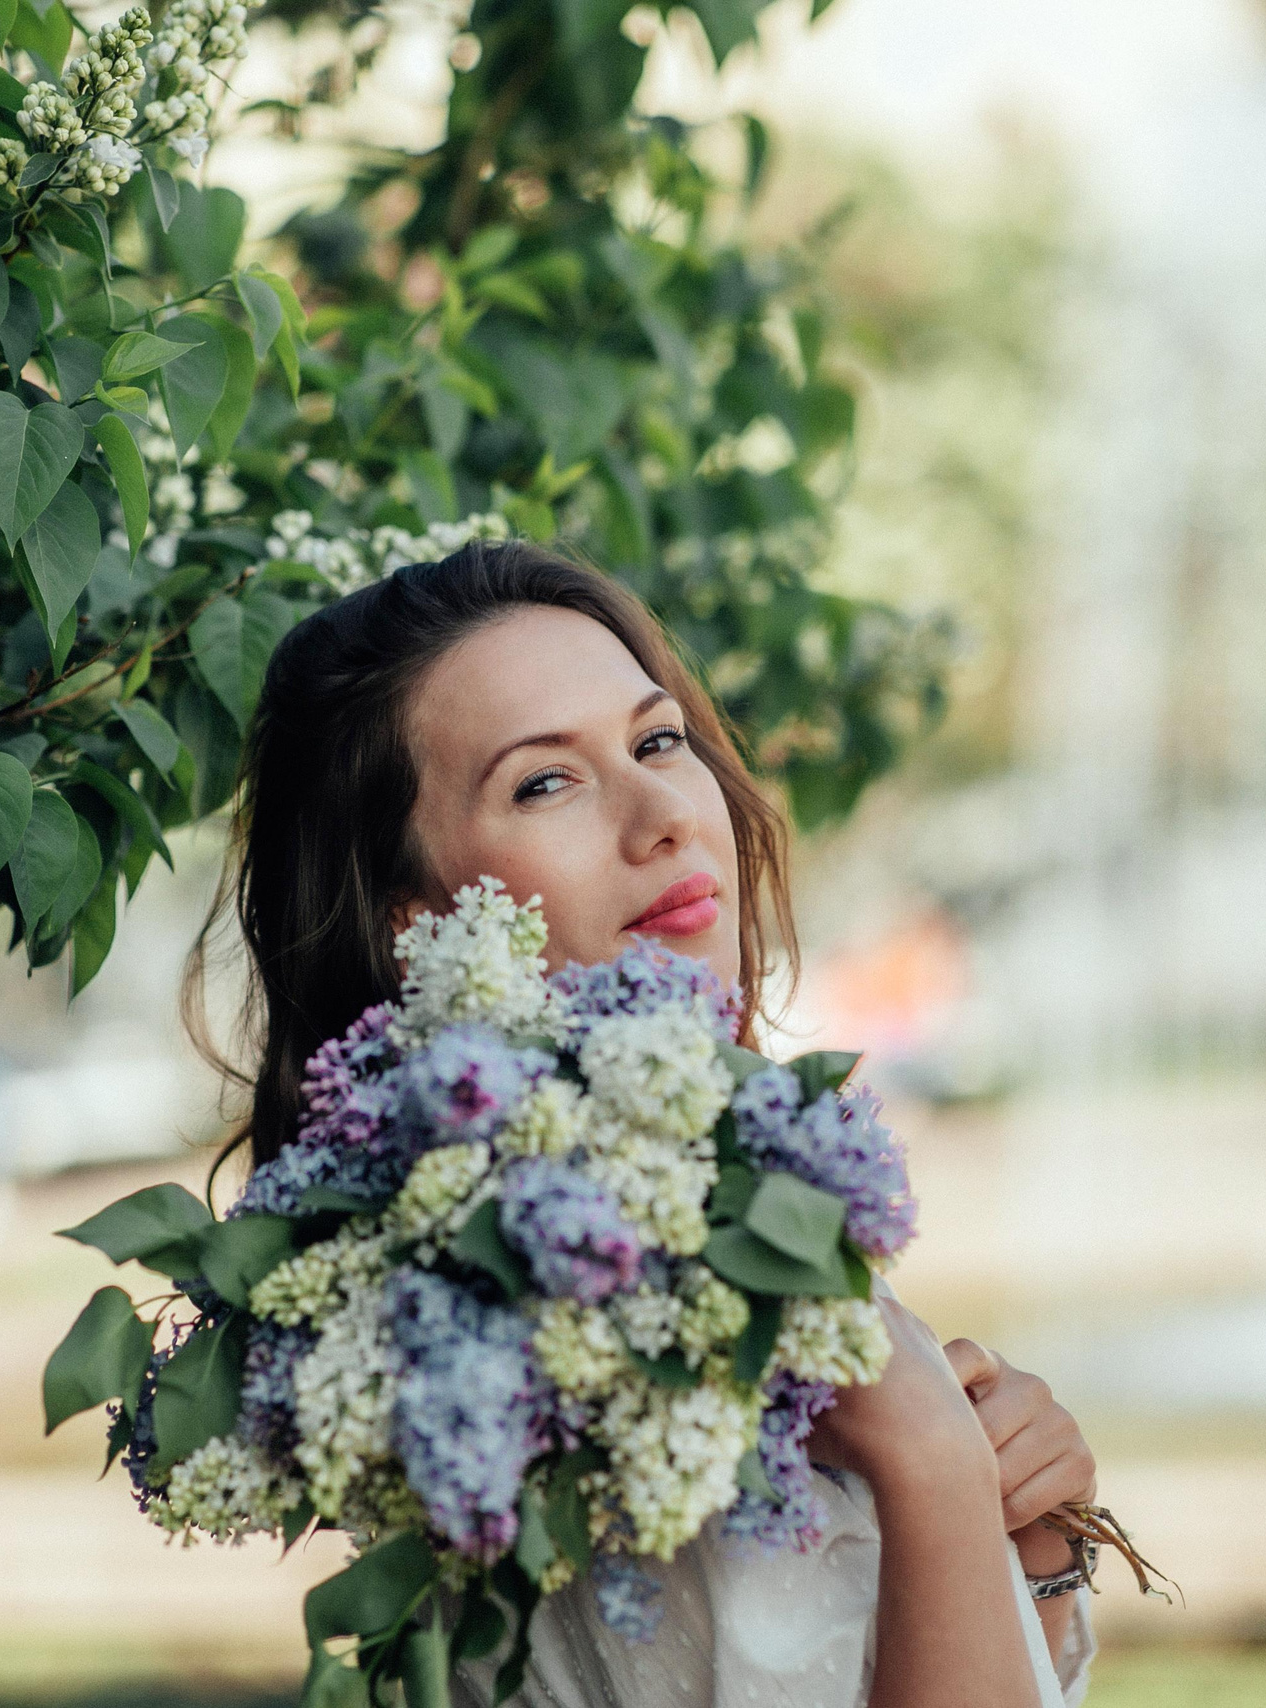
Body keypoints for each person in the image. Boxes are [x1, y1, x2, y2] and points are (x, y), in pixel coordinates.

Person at [188, 540, 1100, 1707]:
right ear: (413, 916)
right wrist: (926, 1458)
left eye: (656, 740)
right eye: (544, 781)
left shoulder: (688, 1211)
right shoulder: (549, 1331)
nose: (662, 812)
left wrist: (1022, 1541)